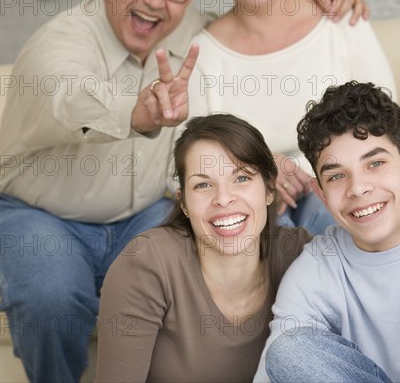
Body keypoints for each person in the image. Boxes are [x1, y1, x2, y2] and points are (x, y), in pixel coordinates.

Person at [0, 0, 367, 382]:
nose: (156, 1)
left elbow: (252, 15)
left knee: (208, 256)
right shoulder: (58, 45)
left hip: (144, 213)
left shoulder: (187, 30)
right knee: (50, 296)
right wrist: (138, 113)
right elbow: (66, 97)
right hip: (40, 212)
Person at [187, 0, 395, 234]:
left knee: (325, 213)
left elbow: (386, 116)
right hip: (254, 201)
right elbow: (192, 154)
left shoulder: (338, 18)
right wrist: (261, 171)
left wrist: (307, 168)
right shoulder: (203, 53)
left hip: (342, 183)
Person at [254, 82, 400, 383]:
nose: (358, 188)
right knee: (289, 352)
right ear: (322, 193)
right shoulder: (316, 269)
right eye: (337, 176)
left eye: (375, 163)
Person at [95, 113, 312, 382]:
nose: (223, 198)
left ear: (269, 189)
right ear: (183, 202)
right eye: (203, 184)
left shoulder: (301, 254)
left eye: (241, 178)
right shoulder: (146, 264)